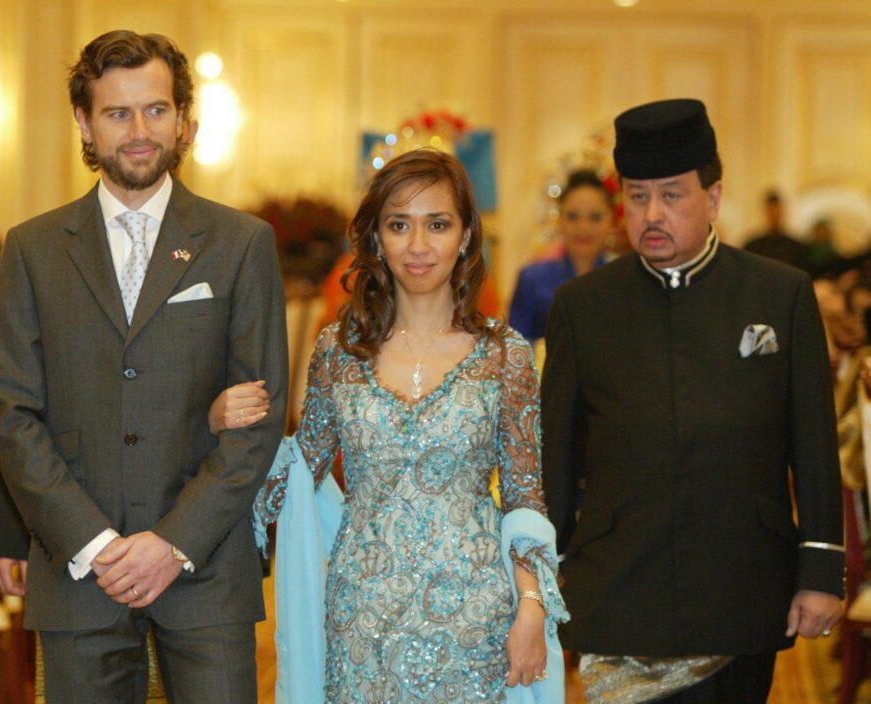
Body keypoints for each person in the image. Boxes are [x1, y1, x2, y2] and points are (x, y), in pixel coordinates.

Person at [0, 30, 287, 703]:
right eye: (118, 113)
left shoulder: (241, 244)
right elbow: (13, 414)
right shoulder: (32, 250)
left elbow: (258, 420)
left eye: (156, 109)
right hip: (79, 576)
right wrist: (93, 544)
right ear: (85, 123)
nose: (140, 131)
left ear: (183, 119)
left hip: (206, 572)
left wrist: (172, 543)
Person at [224, 148, 565, 702]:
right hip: (362, 615)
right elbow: (293, 475)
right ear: (377, 240)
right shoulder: (339, 350)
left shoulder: (506, 355)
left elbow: (526, 496)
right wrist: (217, 445)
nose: (420, 245)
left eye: (438, 224)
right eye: (399, 225)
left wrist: (530, 605)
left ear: (466, 237)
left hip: (477, 616)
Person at [541, 98, 843, 703]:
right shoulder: (583, 306)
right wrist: (541, 580)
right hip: (618, 588)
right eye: (637, 195)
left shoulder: (779, 295)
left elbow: (812, 445)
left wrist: (820, 571)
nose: (653, 214)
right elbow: (556, 458)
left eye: (673, 195)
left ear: (714, 197)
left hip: (742, 585)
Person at [508, 170, 614, 344]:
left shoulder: (624, 279)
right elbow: (516, 352)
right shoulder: (532, 280)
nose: (583, 227)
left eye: (595, 217)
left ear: (611, 220)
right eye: (573, 217)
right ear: (560, 219)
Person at [743, 189, 812, 273]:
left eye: (777, 211)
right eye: (771, 211)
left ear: (782, 212)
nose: (774, 216)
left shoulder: (796, 247)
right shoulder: (753, 246)